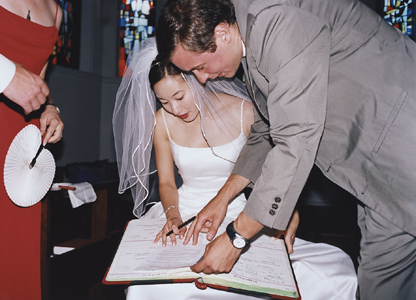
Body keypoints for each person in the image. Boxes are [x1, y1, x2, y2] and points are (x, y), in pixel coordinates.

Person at [155, 0, 416, 299]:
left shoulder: (272, 21)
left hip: (402, 146)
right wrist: (222, 199)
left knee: (382, 283)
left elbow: (294, 137)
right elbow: (267, 129)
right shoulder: (249, 37)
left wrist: (237, 236)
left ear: (222, 34)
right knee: (382, 283)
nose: (201, 79)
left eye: (200, 66)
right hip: (373, 171)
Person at [113, 37, 357, 300]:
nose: (175, 109)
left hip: (238, 211)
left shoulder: (243, 111)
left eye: (179, 96)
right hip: (183, 212)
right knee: (153, 284)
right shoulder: (162, 122)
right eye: (164, 101)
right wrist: (172, 215)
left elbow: (275, 169)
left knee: (317, 275)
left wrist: (288, 208)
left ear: (196, 79)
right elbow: (167, 184)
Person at [0, 1, 64, 299]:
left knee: (16, 254)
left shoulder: (55, 12)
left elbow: (36, 81)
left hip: (19, 151)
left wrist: (49, 108)